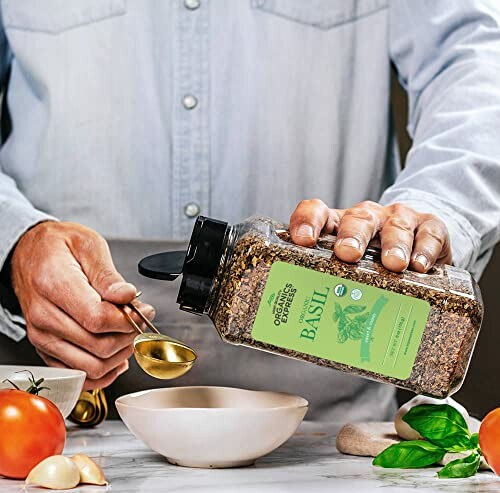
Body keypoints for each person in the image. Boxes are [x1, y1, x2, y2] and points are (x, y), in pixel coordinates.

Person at [0, 1, 499, 422]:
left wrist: (435, 207)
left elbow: (474, 58)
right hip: (57, 404)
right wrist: (16, 239)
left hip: (327, 422)